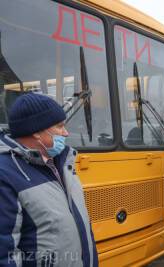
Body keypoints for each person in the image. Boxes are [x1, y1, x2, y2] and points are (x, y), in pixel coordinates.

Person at [0, 93, 98, 266]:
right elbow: (4, 254)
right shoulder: (5, 174)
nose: (66, 133)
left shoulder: (64, 162)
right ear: (37, 131)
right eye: (60, 127)